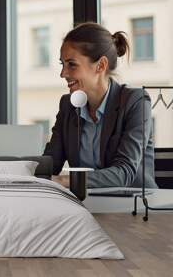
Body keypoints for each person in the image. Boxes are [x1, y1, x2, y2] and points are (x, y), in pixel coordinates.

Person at [43, 22, 157, 188]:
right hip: (86, 203)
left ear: (101, 65)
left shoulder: (136, 102)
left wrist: (63, 181)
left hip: (133, 206)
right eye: (62, 64)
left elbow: (124, 173)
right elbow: (50, 163)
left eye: (71, 64)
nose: (63, 73)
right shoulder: (68, 105)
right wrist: (12, 170)